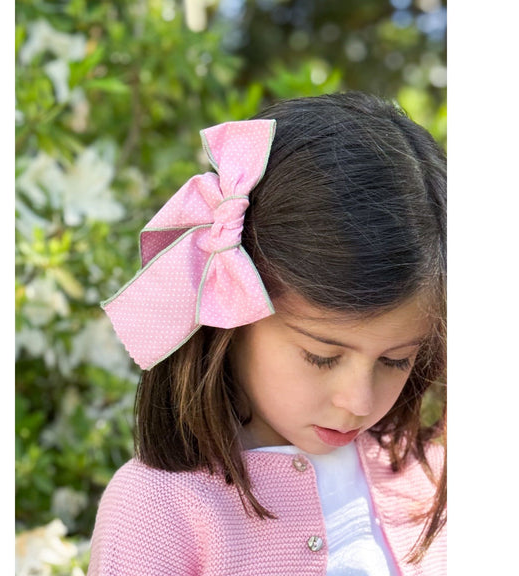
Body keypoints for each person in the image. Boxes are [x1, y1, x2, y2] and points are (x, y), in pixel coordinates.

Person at [87, 91, 447, 575]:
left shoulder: (428, 474)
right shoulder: (157, 508)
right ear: (235, 313)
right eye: (322, 356)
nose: (358, 401)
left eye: (395, 359)